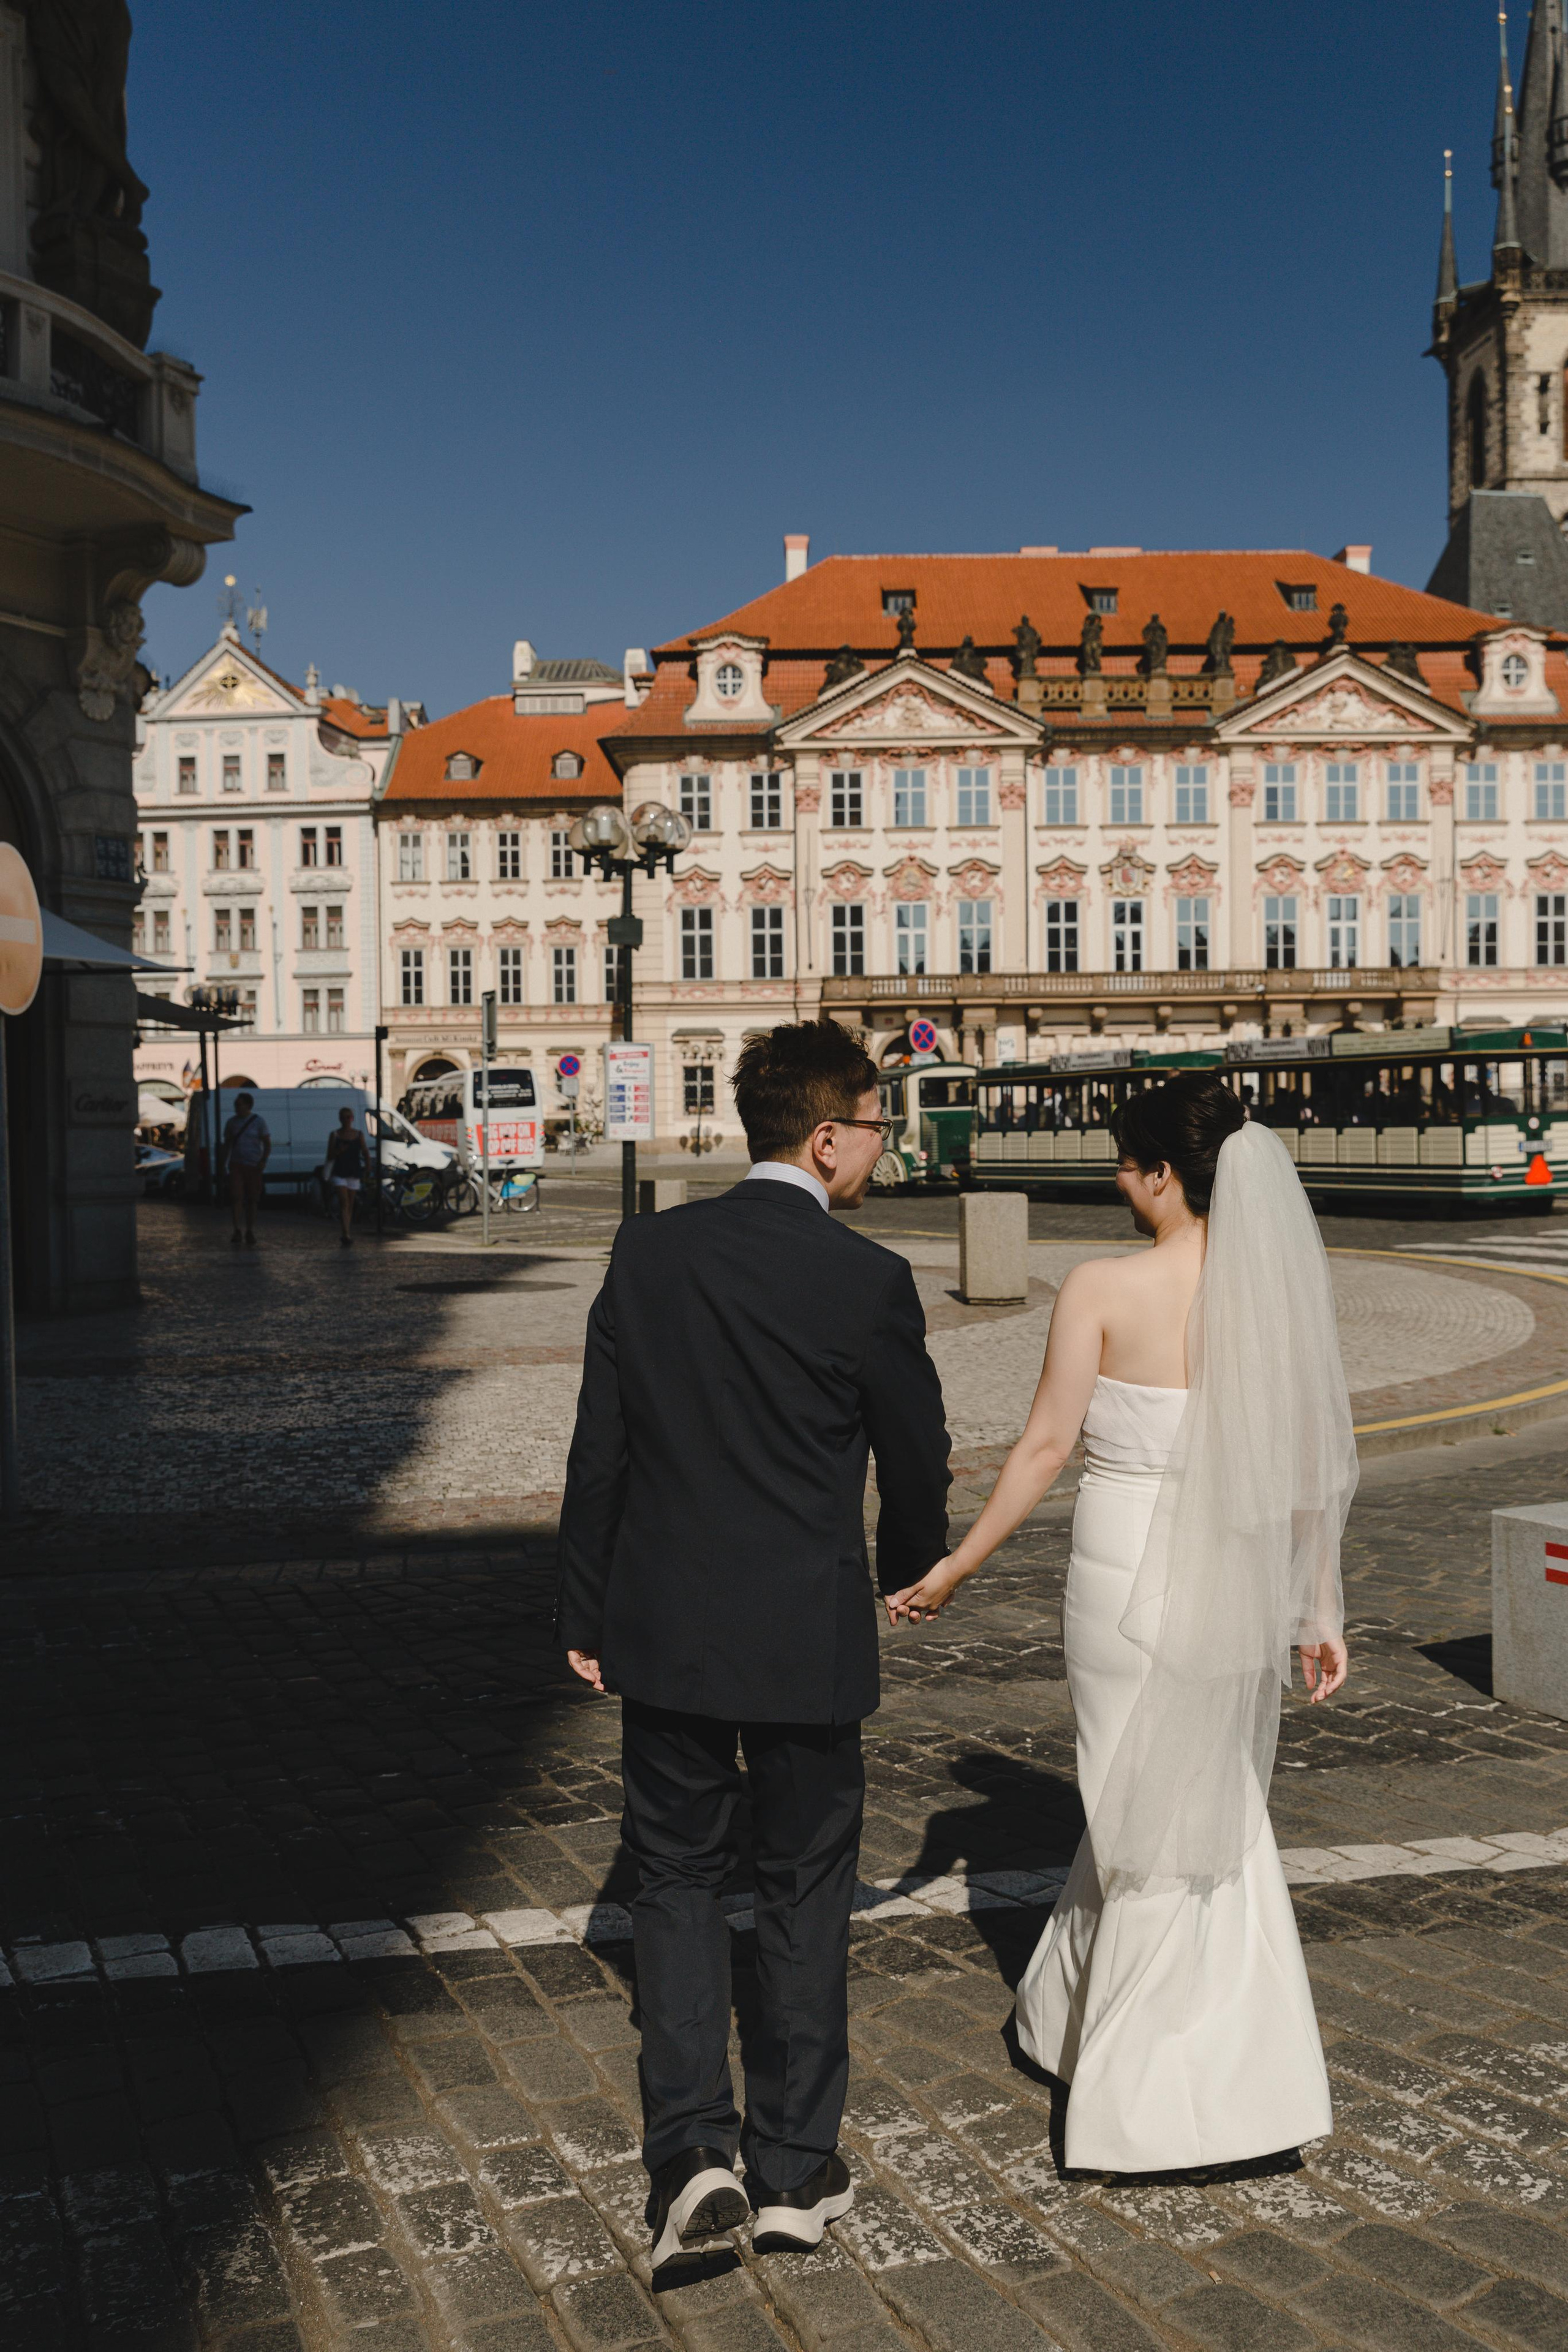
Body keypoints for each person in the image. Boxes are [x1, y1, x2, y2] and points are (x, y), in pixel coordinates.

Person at [886, 1072, 1357, 2174]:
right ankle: (1109, 2025)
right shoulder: (1271, 1295)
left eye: (1123, 1162)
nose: (1116, 1179)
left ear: (1159, 1175)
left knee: (1133, 1803)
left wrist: (957, 1564)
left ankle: (1148, 2095)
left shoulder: (1101, 1285)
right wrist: (1317, 1604)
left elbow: (1046, 1448)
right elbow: (1308, 1463)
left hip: (1119, 1565)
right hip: (1233, 1567)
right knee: (1206, 1790)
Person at [556, 1019, 951, 2268]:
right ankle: (791, 2169)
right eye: (879, 1126)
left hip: (665, 1624)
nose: (885, 1148)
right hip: (804, 1633)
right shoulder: (866, 1279)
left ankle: (689, 2157)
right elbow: (918, 1455)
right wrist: (909, 1566)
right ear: (827, 1137)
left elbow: (599, 1451)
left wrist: (584, 1611)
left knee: (673, 1883)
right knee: (803, 1889)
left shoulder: (649, 1252)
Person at [224, 1091, 270, 1247]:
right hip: (236, 1164)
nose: (236, 1108)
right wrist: (224, 1163)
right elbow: (227, 1144)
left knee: (252, 1199)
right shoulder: (231, 1123)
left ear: (248, 1106)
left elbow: (267, 1143)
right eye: (236, 1105)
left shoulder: (259, 1122)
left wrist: (263, 1161)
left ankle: (250, 1230)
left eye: (239, 1105)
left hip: (253, 1165)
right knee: (236, 1197)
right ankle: (237, 1230)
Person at [325, 1105, 368, 1245]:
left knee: (350, 1204)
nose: (346, 1120)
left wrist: (368, 1166)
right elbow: (329, 1156)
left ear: (352, 1119)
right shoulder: (335, 1135)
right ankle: (346, 1234)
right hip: (339, 1172)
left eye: (348, 1117)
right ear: (340, 1119)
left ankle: (346, 1230)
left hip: (353, 1172)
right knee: (344, 1202)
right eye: (344, 1118)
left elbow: (365, 1152)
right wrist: (339, 1151)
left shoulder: (359, 1135)